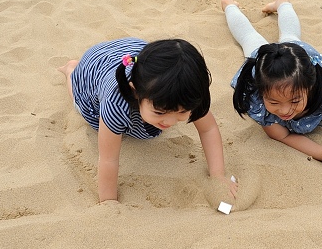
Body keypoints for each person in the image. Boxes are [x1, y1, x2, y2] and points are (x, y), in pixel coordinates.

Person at [58, 38, 237, 203]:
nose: (170, 122)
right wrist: (109, 203)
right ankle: (71, 70)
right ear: (135, 91)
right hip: (92, 71)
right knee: (80, 103)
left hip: (132, 53)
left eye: (181, 112)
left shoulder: (185, 91)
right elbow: (108, 160)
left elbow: (208, 129)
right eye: (160, 112)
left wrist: (218, 176)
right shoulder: (115, 103)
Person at [221, 0, 322, 165]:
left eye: (294, 100)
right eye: (274, 102)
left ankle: (282, 2)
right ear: (261, 93)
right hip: (269, 63)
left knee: (291, 36)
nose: (285, 111)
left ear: (310, 87)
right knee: (249, 38)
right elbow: (284, 136)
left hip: (295, 61)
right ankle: (228, 5)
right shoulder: (261, 104)